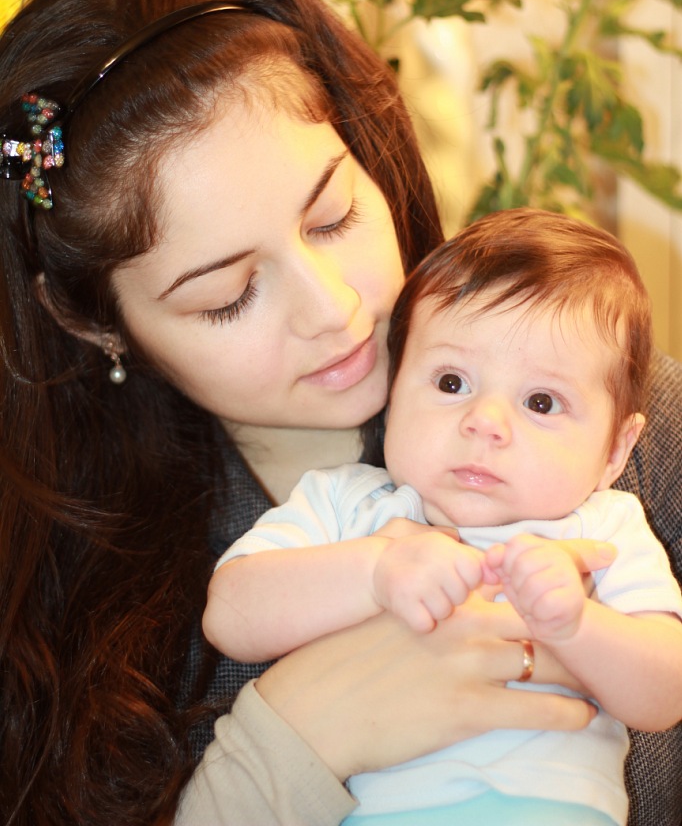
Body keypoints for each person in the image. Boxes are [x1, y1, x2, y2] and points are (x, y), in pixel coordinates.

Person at [0, 0, 678, 826]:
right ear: (94, 323)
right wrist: (296, 735)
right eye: (228, 295)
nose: (335, 309)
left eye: (334, 217)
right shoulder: (62, 607)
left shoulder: (634, 429)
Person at [204, 208, 682, 826]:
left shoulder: (605, 528)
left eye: (541, 402)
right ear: (394, 391)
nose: (484, 421)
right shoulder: (348, 503)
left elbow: (666, 693)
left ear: (616, 450)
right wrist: (374, 571)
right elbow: (231, 614)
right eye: (452, 382)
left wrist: (577, 626)